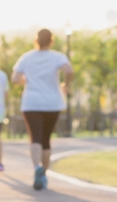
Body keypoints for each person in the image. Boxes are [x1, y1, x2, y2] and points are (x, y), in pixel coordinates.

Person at [11, 29, 73, 190]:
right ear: (51, 41)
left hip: (31, 102)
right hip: (52, 102)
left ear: (36, 40)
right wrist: (66, 84)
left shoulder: (27, 57)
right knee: (46, 139)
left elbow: (15, 78)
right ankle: (44, 174)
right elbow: (69, 70)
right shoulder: (57, 57)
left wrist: (27, 79)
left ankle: (36, 168)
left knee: (35, 138)